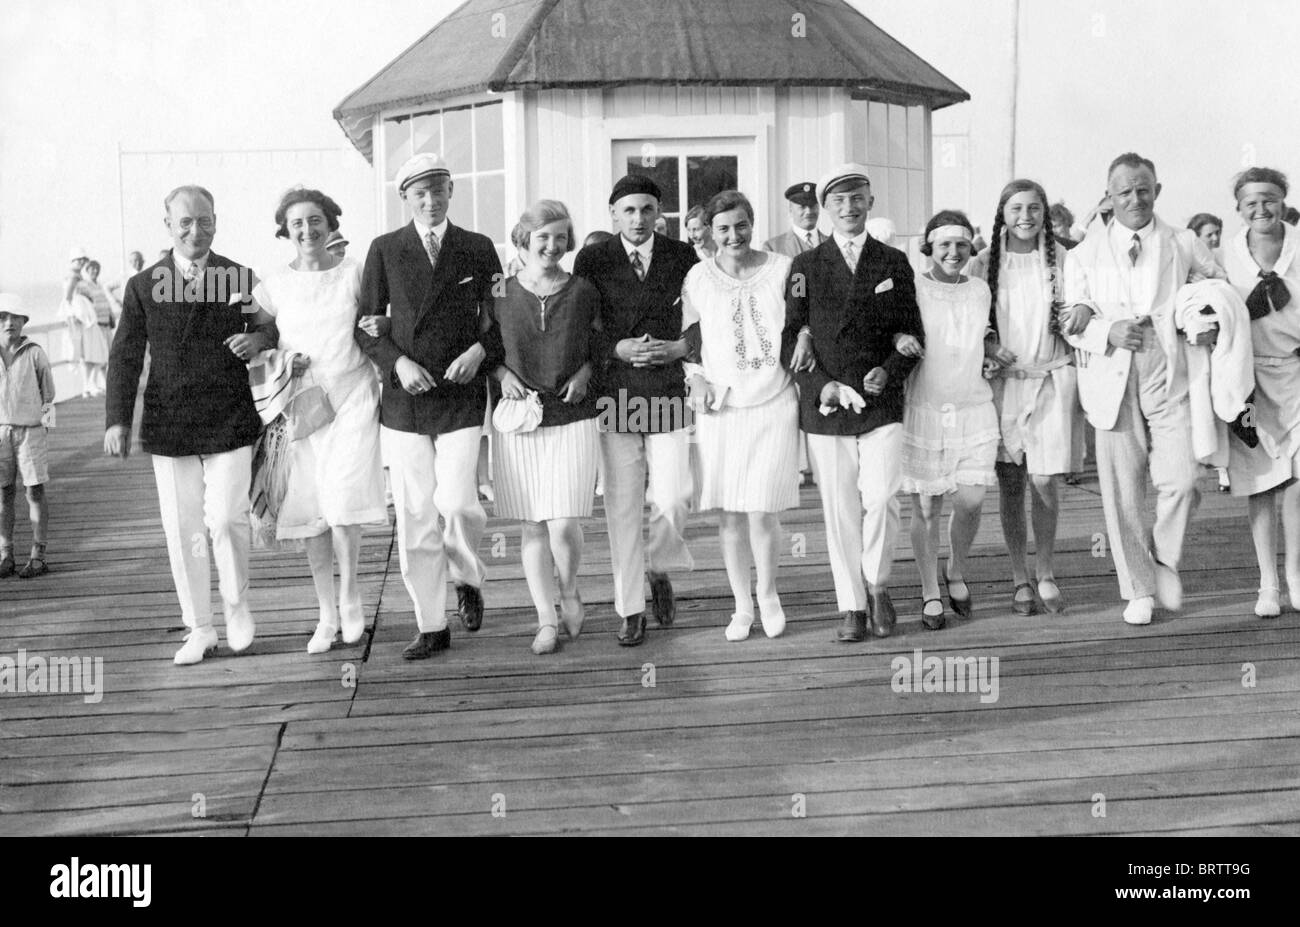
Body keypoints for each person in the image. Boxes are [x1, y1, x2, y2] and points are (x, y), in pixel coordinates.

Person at [105, 184, 280, 665]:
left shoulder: (238, 277)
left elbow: (270, 326)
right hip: (170, 420)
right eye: (184, 222)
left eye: (203, 220)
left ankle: (237, 602)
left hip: (228, 414)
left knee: (226, 518)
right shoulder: (144, 285)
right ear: (168, 226)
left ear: (216, 222)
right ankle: (199, 627)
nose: (194, 230)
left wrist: (258, 341)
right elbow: (124, 356)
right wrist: (117, 419)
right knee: (184, 530)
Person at [1062, 153, 1223, 626]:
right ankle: (1138, 589)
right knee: (1123, 491)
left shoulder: (1183, 241)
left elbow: (1218, 287)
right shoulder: (1084, 252)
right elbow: (1071, 317)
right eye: (1124, 191)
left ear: (1157, 190)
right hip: (1111, 374)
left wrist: (1199, 316)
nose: (1135, 198)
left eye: (1143, 188)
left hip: (1167, 369)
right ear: (1108, 197)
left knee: (1184, 480)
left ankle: (1163, 560)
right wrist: (1103, 331)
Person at [354, 153, 503, 660]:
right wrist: (397, 364)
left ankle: (465, 576)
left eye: (438, 189)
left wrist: (480, 351)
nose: (430, 199)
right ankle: (431, 622)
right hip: (406, 401)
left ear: (450, 191)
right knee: (416, 513)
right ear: (405, 198)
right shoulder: (385, 250)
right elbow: (367, 324)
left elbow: (500, 318)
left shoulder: (478, 248)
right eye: (419, 192)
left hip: (460, 393)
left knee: (459, 501)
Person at [781, 163, 923, 641]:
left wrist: (891, 367)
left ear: (871, 202)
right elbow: (790, 338)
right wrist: (819, 384)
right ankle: (853, 604)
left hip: (880, 403)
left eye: (857, 198)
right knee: (839, 508)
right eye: (838, 201)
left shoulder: (893, 263)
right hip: (827, 406)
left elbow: (912, 332)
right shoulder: (804, 267)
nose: (849, 208)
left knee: (882, 497)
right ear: (826, 208)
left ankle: (878, 582)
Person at [252, 187, 386, 654]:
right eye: (297, 225)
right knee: (311, 510)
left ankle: (351, 598)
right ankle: (325, 613)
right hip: (302, 405)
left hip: (352, 397)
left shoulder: (355, 272)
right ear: (286, 232)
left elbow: (375, 323)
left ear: (331, 223)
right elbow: (261, 333)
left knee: (344, 502)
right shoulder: (273, 283)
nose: (307, 230)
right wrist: (275, 357)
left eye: (315, 221)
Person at [574, 174, 698, 646]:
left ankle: (659, 564)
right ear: (613, 215)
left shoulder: (681, 256)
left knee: (673, 496)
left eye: (647, 209)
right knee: (622, 506)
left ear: (659, 214)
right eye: (629, 210)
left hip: (666, 387)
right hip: (617, 388)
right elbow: (580, 322)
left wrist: (679, 349)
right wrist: (617, 348)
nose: (639, 219)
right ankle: (630, 608)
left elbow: (700, 314)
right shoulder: (594, 258)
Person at [489, 200, 603, 654]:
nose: (552, 246)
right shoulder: (499, 289)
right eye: (543, 238)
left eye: (560, 237)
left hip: (572, 415)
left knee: (562, 522)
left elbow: (601, 342)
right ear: (524, 240)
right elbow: (484, 343)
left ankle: (571, 589)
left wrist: (586, 372)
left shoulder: (582, 290)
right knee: (533, 525)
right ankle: (545, 619)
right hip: (520, 418)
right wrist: (502, 376)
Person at [683, 191, 798, 640]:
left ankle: (768, 594)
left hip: (773, 400)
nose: (734, 235)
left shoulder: (783, 269)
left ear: (753, 224)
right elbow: (687, 338)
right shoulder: (697, 276)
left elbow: (802, 323)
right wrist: (695, 377)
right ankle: (742, 605)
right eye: (723, 228)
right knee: (730, 512)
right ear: (710, 233)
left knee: (763, 509)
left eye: (741, 225)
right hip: (721, 406)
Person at [969, 180, 1084, 615]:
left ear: (1044, 213)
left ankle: (1047, 570)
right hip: (1002, 383)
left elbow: (1082, 305)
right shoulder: (984, 262)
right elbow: (968, 317)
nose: (1025, 216)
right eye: (1016, 208)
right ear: (1002, 212)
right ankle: (1019, 576)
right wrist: (988, 344)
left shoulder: (1062, 259)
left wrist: (1078, 314)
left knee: (1045, 479)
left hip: (1050, 377)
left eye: (1034, 208)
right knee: (1012, 482)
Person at [896, 212, 1000, 630]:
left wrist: (992, 349)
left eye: (960, 245)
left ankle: (955, 568)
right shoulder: (915, 286)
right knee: (926, 505)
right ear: (930, 247)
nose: (953, 253)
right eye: (944, 246)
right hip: (926, 405)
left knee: (972, 500)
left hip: (973, 406)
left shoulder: (980, 289)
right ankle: (929, 590)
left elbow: (983, 335)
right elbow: (898, 329)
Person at [1220, 168, 1300, 617]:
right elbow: (1201, 306)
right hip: (1247, 384)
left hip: (1297, 374)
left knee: (1298, 483)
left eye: (1269, 199)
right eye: (1251, 202)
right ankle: (1267, 583)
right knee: (1261, 482)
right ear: (1239, 208)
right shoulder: (1224, 255)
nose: (1261, 209)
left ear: (1283, 201)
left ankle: (1296, 577)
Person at [0, 295, 54, 579]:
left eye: (15, 317)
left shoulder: (34, 352)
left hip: (31, 431)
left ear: (24, 322)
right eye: (3, 316)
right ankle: (5, 553)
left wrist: (46, 428)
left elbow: (49, 392)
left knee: (34, 490)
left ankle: (38, 553)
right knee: (3, 492)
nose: (9, 322)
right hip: (1, 432)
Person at [77, 260, 118, 395]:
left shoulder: (99, 285)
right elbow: (80, 304)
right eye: (92, 269)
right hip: (95, 326)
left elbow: (105, 302)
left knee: (107, 357)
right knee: (96, 357)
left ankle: (103, 384)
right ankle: (89, 386)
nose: (95, 271)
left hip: (105, 324)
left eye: (97, 269)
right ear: (87, 270)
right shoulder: (84, 285)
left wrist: (111, 315)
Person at [763, 182, 825, 257]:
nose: (808, 212)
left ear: (818, 208)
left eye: (812, 206)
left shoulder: (834, 243)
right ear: (791, 210)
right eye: (802, 207)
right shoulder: (773, 247)